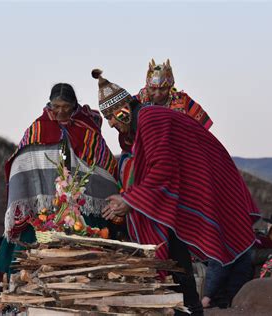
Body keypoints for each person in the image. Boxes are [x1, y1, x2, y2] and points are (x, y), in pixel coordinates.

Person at [92, 69, 259, 315]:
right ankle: (187, 307)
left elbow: (163, 169)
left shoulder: (149, 120)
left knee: (175, 251)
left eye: (112, 117)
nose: (112, 124)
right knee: (175, 251)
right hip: (185, 186)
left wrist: (130, 200)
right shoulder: (143, 123)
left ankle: (188, 307)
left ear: (123, 109)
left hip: (201, 180)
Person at [0, 83, 119, 275]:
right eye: (56, 106)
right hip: (43, 203)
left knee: (87, 244)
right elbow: (22, 161)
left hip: (81, 204)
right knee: (31, 247)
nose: (60, 111)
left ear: (74, 106)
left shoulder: (87, 131)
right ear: (49, 104)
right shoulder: (37, 129)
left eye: (66, 107)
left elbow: (105, 164)